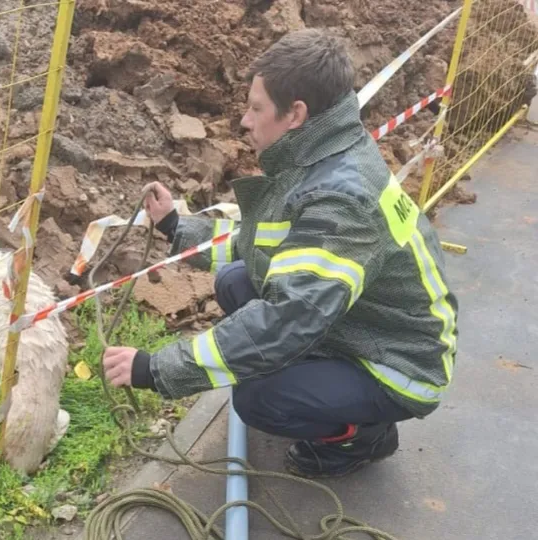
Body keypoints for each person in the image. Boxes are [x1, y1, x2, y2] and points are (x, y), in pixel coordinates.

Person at [101, 28, 458, 478]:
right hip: (366, 324)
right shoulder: (323, 156)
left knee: (257, 399)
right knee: (236, 281)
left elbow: (285, 320)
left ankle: (362, 437)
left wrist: (156, 369)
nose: (245, 122)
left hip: (401, 363)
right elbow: (264, 242)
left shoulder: (339, 199)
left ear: (296, 114)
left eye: (256, 108)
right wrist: (177, 226)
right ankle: (321, 385)